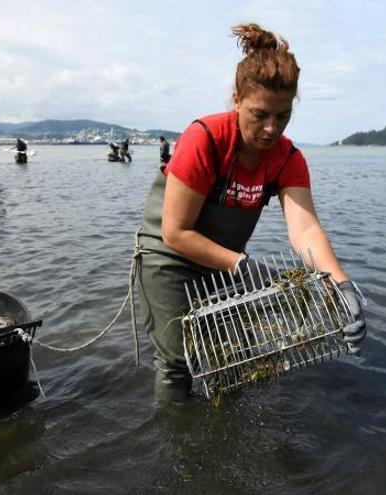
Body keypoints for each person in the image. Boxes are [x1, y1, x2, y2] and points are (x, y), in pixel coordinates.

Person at [135, 23, 368, 403]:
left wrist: (341, 286)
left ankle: (223, 427)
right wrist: (243, 267)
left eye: (283, 116)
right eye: (260, 114)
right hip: (170, 259)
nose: (271, 128)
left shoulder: (288, 158)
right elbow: (175, 232)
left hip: (224, 263)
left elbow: (305, 229)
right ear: (236, 99)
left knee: (234, 355)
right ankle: (174, 443)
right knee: (179, 361)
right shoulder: (205, 139)